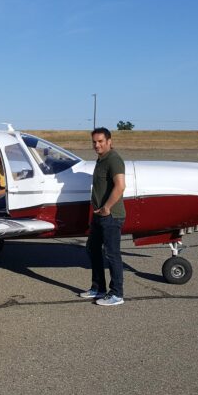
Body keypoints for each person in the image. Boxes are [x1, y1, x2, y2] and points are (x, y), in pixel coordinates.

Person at [80, 127, 127, 307]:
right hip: (100, 215)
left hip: (111, 216)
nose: (97, 145)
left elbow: (120, 186)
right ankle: (98, 288)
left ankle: (117, 294)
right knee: (92, 248)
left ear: (109, 141)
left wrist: (107, 207)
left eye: (100, 141)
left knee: (112, 254)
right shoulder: (101, 160)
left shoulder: (114, 160)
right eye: (94, 142)